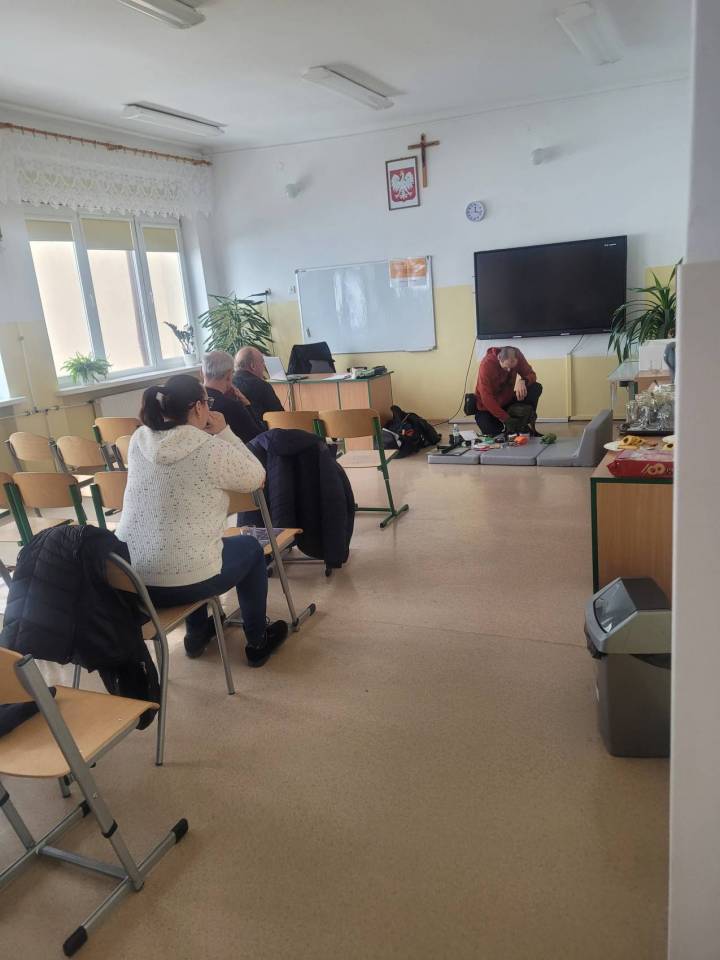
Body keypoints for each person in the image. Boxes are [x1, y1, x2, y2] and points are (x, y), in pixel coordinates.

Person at [115, 374, 287, 666]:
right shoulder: (209, 448)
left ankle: (197, 634)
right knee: (250, 549)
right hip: (184, 580)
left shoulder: (138, 438)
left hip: (131, 578)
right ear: (198, 407)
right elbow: (257, 477)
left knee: (186, 545)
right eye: (208, 402)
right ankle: (258, 640)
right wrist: (225, 432)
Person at [474, 345, 543, 436]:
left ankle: (524, 423)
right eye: (506, 367)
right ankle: (510, 426)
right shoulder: (486, 364)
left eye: (512, 367)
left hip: (507, 401)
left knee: (535, 387)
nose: (509, 370)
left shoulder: (517, 355)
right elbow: (486, 397)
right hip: (487, 406)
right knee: (494, 434)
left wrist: (523, 380)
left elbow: (532, 374)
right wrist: (506, 419)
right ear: (499, 358)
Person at [203, 350, 263, 443]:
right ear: (228, 376)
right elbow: (259, 438)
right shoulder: (232, 406)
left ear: (202, 373)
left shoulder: (195, 403)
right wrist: (247, 405)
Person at [233, 346, 284, 424]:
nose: (264, 366)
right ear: (252, 366)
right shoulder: (262, 386)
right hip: (262, 430)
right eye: (262, 362)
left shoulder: (228, 385)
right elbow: (280, 416)